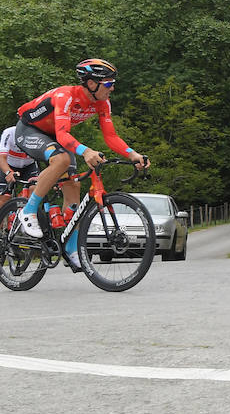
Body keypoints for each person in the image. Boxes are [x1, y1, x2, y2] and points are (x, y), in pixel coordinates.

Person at [11, 58, 149, 268]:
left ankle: (71, 247)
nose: (112, 89)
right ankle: (28, 211)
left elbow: (111, 137)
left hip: (56, 137)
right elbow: (63, 134)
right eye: (109, 84)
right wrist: (86, 151)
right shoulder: (66, 96)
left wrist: (133, 155)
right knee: (62, 159)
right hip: (30, 130)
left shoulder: (102, 103)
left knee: (74, 185)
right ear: (92, 83)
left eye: (113, 84)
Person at [0, 125, 40, 225]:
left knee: (36, 190)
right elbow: (2, 159)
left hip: (29, 165)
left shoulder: (38, 133)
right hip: (9, 165)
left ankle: (25, 219)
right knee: (0, 200)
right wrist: (8, 172)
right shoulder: (9, 133)